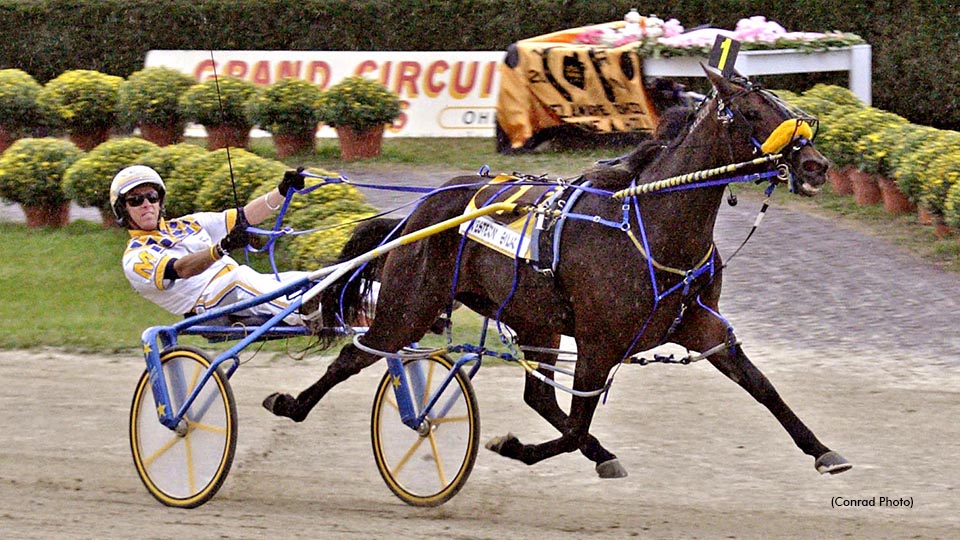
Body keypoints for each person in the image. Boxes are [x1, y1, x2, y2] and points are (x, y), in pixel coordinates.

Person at [112, 164, 309, 324]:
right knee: (240, 277)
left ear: (159, 201)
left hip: (240, 288)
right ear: (123, 210)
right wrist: (221, 248)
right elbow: (181, 269)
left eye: (151, 197)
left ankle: (334, 312)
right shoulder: (135, 257)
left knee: (307, 279)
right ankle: (302, 315)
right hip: (207, 304)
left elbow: (245, 216)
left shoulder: (188, 223)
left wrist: (282, 191)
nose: (146, 204)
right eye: (136, 200)